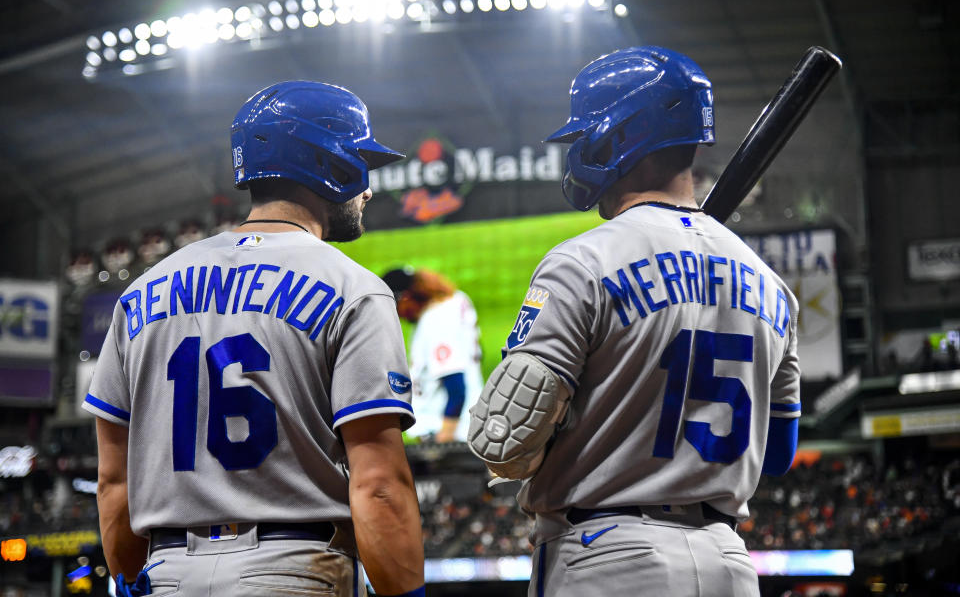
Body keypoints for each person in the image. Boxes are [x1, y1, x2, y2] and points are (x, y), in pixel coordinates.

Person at [468, 47, 801, 596]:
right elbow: (779, 455)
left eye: (585, 138)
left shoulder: (583, 261)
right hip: (729, 562)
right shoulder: (769, 283)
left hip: (608, 558)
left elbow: (503, 442)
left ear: (618, 137)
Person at [83, 81, 426, 597]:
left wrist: (131, 579)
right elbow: (377, 485)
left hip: (168, 574)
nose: (368, 188)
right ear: (329, 164)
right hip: (293, 568)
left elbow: (114, 482)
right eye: (361, 164)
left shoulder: (142, 291)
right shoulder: (352, 288)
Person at [381, 267, 483, 443]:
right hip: (471, 427)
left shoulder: (436, 320)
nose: (398, 315)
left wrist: (444, 437)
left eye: (396, 307)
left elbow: (456, 387)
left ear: (406, 298)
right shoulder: (457, 300)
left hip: (450, 435)